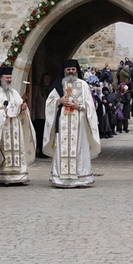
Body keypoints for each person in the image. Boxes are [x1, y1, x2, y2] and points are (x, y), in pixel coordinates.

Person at [43, 59, 101, 188]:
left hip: (79, 124)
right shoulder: (59, 85)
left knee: (79, 148)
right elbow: (49, 103)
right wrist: (59, 101)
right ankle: (61, 179)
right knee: (61, 148)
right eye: (68, 69)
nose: (71, 72)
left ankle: (81, 178)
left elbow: (90, 105)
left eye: (73, 69)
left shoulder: (83, 85)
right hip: (62, 124)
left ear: (77, 70)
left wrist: (78, 106)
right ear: (64, 71)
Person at [0, 65, 36, 185]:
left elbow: (19, 106)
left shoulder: (14, 92)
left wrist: (23, 108)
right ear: (0, 78)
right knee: (4, 149)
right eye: (7, 77)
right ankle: (3, 176)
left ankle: (19, 175)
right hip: (3, 126)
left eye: (10, 77)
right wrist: (0, 111)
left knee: (18, 149)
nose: (9, 80)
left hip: (15, 126)